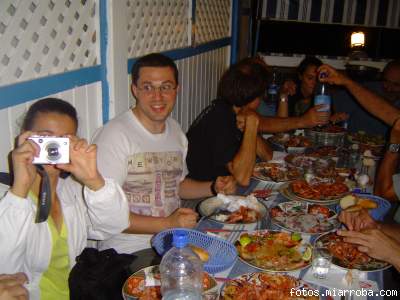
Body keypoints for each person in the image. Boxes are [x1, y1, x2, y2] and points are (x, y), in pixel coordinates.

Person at [93, 53, 236, 254]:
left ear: (177, 90)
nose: (158, 96)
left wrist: (213, 187)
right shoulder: (114, 136)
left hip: (172, 241)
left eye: (166, 87)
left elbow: (175, 185)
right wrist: (167, 223)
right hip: (127, 251)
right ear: (135, 90)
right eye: (148, 87)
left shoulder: (175, 130)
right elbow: (106, 217)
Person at [0, 98, 129, 300]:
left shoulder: (72, 190)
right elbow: (4, 268)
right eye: (45, 138)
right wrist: (20, 188)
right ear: (25, 138)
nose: (54, 148)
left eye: (64, 140)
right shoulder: (8, 200)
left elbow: (113, 226)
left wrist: (94, 180)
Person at [186, 60, 273, 185]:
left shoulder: (235, 110)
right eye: (261, 95)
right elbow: (242, 178)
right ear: (253, 97)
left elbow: (267, 156)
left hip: (224, 186)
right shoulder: (221, 118)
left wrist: (250, 126)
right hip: (204, 193)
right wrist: (252, 124)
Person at [332, 59, 400, 137]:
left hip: (389, 147)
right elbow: (335, 116)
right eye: (386, 81)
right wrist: (335, 119)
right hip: (353, 143)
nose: (389, 88)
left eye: (396, 85)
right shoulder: (364, 89)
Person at [276, 56, 348, 122]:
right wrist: (283, 95)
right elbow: (281, 125)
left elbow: (324, 125)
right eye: (310, 78)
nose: (314, 83)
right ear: (300, 76)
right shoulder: (291, 90)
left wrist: (332, 120)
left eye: (318, 79)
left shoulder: (323, 96)